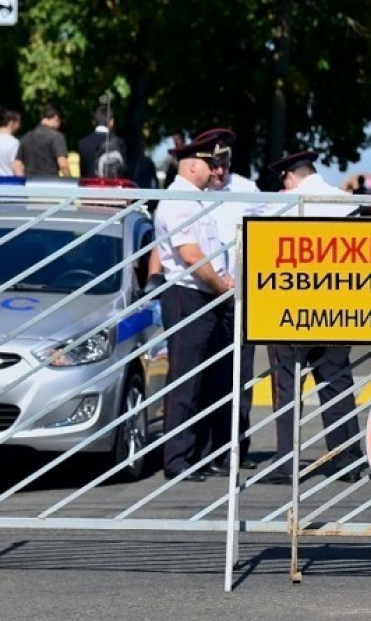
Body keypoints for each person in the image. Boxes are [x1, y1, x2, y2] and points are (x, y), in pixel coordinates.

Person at [264, 150, 364, 485]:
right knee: (337, 381)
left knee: (287, 386)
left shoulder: (280, 205)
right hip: (336, 304)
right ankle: (349, 458)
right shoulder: (346, 202)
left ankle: (287, 463)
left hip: (289, 308)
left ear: (288, 177)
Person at [153, 130, 234, 482]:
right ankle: (177, 459)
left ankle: (197, 454)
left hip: (205, 295)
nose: (215, 168)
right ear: (191, 166)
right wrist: (222, 286)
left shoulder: (196, 198)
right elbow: (191, 256)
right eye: (209, 162)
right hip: (189, 295)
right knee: (185, 381)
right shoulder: (179, 200)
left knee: (205, 380)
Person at [193, 128, 259, 473]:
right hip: (204, 296)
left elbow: (272, 230)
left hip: (239, 297)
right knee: (206, 377)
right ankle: (202, 451)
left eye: (225, 164)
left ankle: (234, 447)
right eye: (214, 165)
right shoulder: (193, 194)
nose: (220, 172)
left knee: (239, 379)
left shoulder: (246, 190)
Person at [12, 103, 71, 177]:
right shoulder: (56, 137)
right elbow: (63, 164)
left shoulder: (26, 137)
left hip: (30, 183)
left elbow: (16, 165)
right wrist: (69, 180)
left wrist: (23, 181)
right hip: (49, 183)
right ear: (56, 117)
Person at [77, 104, 128, 178]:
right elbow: (124, 171)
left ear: (93, 122)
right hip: (112, 187)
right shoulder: (119, 143)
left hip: (90, 187)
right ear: (111, 122)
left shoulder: (83, 143)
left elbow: (83, 173)